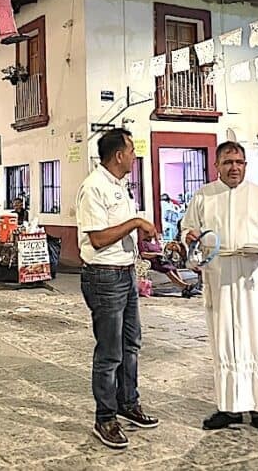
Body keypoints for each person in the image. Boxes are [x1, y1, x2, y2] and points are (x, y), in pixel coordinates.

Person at [181, 141, 258, 436]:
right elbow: (187, 229)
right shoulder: (203, 196)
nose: (234, 167)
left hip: (253, 280)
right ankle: (229, 407)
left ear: (245, 165)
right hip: (219, 278)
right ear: (217, 165)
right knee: (225, 342)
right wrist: (189, 237)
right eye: (228, 162)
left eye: (239, 162)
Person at [76, 128, 159, 449]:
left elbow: (118, 233)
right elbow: (98, 238)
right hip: (104, 277)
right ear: (119, 155)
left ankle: (128, 403)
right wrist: (136, 222)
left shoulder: (120, 186)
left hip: (125, 273)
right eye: (132, 151)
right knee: (110, 352)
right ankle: (105, 417)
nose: (135, 157)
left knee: (130, 343)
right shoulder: (93, 187)